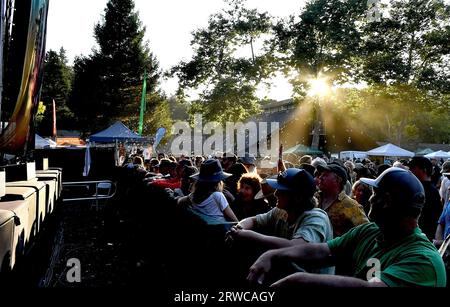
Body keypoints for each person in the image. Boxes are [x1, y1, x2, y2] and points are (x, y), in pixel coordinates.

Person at [247, 167, 447, 287]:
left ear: (387, 201)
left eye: (375, 194)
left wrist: (301, 280)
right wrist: (274, 255)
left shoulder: (423, 260)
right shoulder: (370, 232)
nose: (369, 198)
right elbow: (323, 250)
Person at [227, 168, 333, 275]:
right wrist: (239, 228)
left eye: (281, 191)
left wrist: (249, 235)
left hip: (314, 285)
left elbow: (298, 246)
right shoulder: (282, 211)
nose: (275, 194)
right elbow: (254, 220)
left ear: (298, 197)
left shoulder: (316, 218)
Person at [316, 162, 369, 237]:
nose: (320, 177)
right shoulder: (314, 199)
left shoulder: (351, 206)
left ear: (338, 180)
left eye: (325, 175)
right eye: (321, 175)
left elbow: (367, 233)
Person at [177, 159, 238, 224]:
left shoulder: (192, 196)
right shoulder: (218, 196)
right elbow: (235, 220)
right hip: (219, 231)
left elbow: (179, 201)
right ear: (218, 181)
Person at [408, 157, 443, 241]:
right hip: (416, 235)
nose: (409, 171)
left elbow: (435, 216)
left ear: (423, 170)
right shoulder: (432, 190)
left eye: (413, 168)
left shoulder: (418, 189)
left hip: (420, 237)